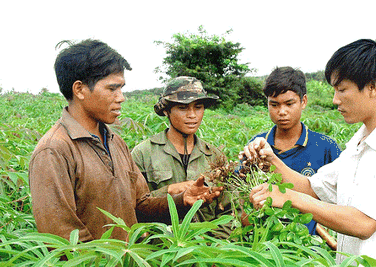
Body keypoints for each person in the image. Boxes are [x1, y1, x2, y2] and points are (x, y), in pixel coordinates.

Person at [243, 39, 376, 267]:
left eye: (342, 90)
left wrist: (290, 198)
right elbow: (314, 188)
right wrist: (270, 159)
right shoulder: (358, 145)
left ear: (372, 87)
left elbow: (363, 223)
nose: (335, 100)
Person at [29, 40, 221, 242]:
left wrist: (182, 200)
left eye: (121, 88)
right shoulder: (54, 150)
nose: (121, 98)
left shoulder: (115, 142)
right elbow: (63, 236)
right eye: (112, 89)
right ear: (79, 90)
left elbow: (141, 206)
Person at [132, 76, 233, 238]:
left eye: (198, 107)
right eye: (183, 108)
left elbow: (229, 212)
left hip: (207, 251)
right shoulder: (143, 153)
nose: (192, 115)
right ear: (166, 110)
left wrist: (215, 248)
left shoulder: (215, 156)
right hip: (161, 250)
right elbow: (133, 207)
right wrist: (170, 192)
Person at [248, 66, 341, 235]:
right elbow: (243, 207)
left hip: (309, 247)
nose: (281, 112)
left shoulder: (326, 147)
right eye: (274, 105)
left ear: (303, 101)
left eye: (289, 104)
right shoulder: (257, 146)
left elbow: (340, 202)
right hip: (263, 244)